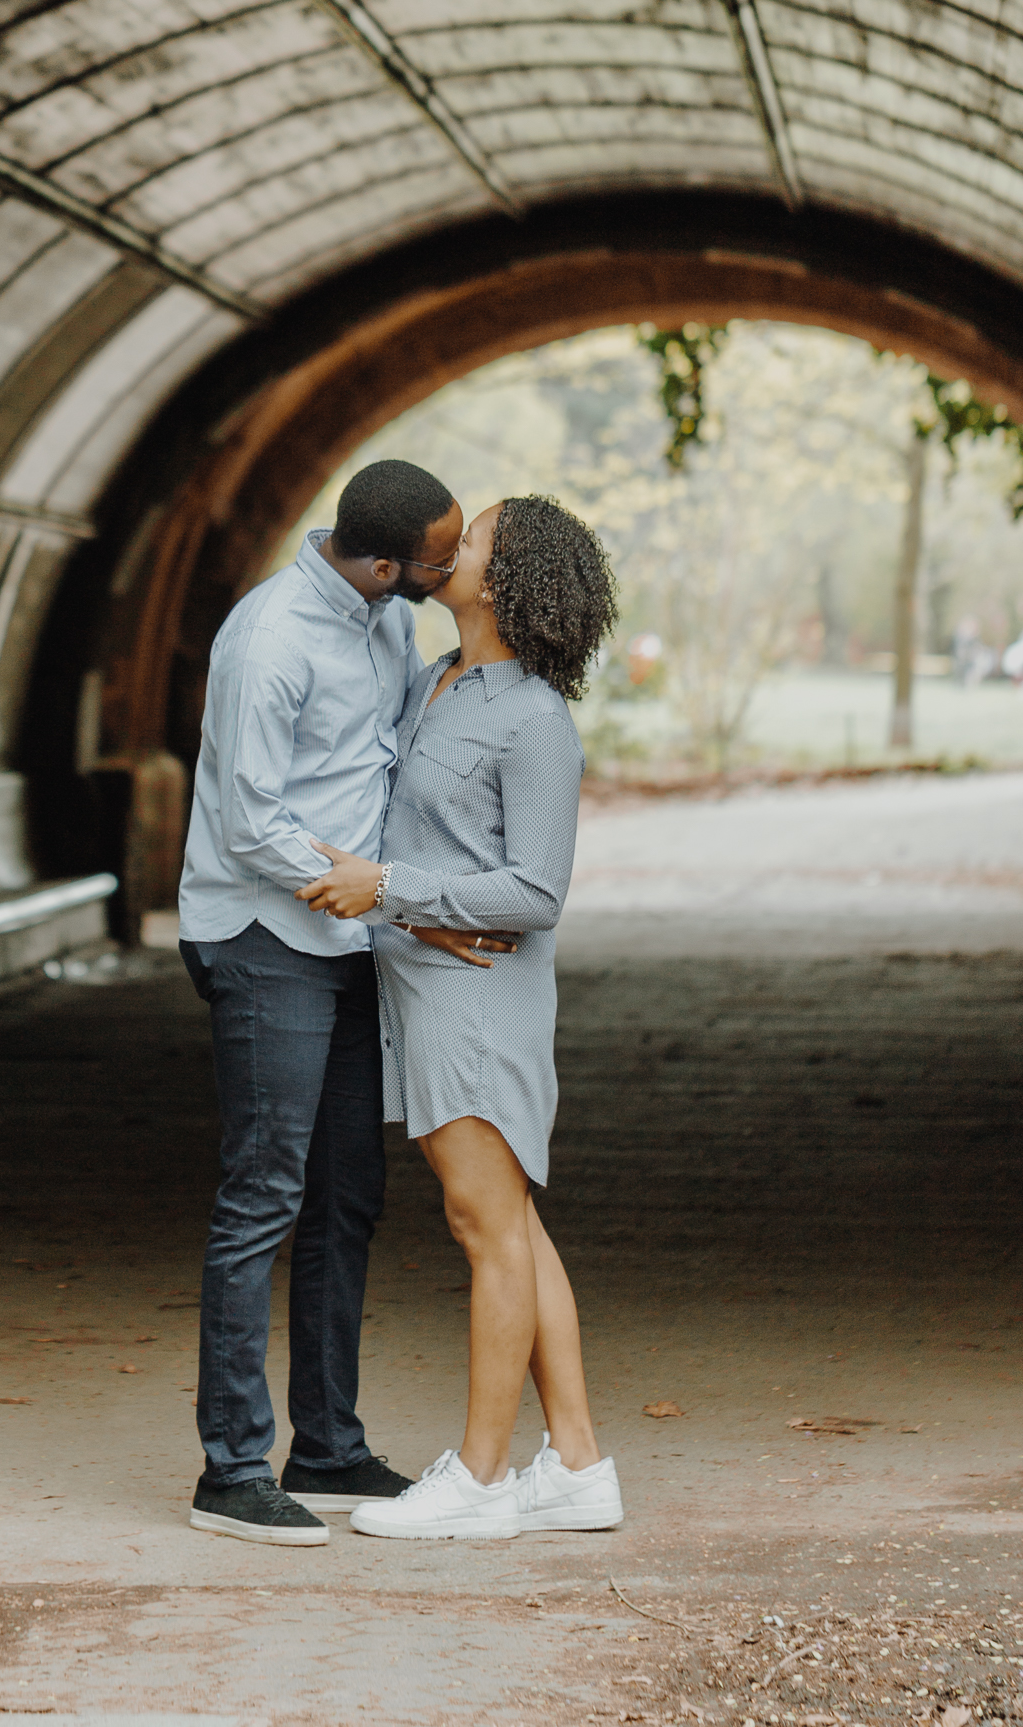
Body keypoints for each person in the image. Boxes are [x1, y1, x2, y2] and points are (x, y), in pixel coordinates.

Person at [178, 459, 516, 1546]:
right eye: (439, 555)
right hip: (264, 931)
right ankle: (231, 1467)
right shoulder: (267, 642)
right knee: (263, 1192)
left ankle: (325, 1445)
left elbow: (379, 765)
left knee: (348, 1190)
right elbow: (246, 819)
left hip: (349, 933)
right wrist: (358, 885)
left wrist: (397, 899)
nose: (452, 566)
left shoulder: (382, 620)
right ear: (384, 561)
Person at [296, 494, 622, 1541]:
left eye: (471, 537)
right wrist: (403, 902)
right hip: (426, 989)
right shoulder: (437, 679)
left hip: (479, 1005)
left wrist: (390, 890)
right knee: (511, 1222)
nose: (448, 547)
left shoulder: (532, 718)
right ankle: (576, 1464)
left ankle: (478, 1482)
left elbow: (535, 891)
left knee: (485, 1228)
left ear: (508, 578)